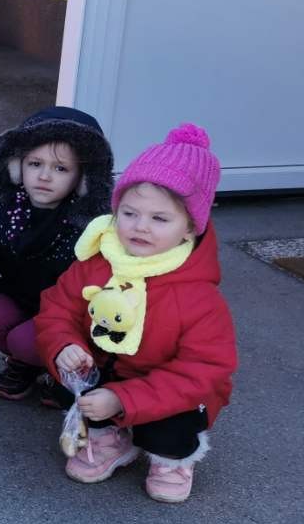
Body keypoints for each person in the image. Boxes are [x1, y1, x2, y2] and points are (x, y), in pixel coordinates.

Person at [37, 124, 236, 503]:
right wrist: (63, 345)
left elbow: (203, 371)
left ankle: (172, 458)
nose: (140, 227)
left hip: (169, 394)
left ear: (190, 228)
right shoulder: (96, 263)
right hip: (107, 373)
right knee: (73, 388)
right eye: (129, 213)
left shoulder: (199, 297)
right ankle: (110, 437)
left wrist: (124, 400)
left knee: (169, 428)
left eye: (160, 219)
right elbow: (56, 309)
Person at [0, 107, 114, 403]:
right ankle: (26, 364)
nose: (45, 176)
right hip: (19, 299)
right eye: (35, 163)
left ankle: (64, 368)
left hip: (68, 316)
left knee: (27, 340)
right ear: (16, 166)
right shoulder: (3, 208)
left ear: (82, 179)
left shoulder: (89, 224)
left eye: (61, 168)